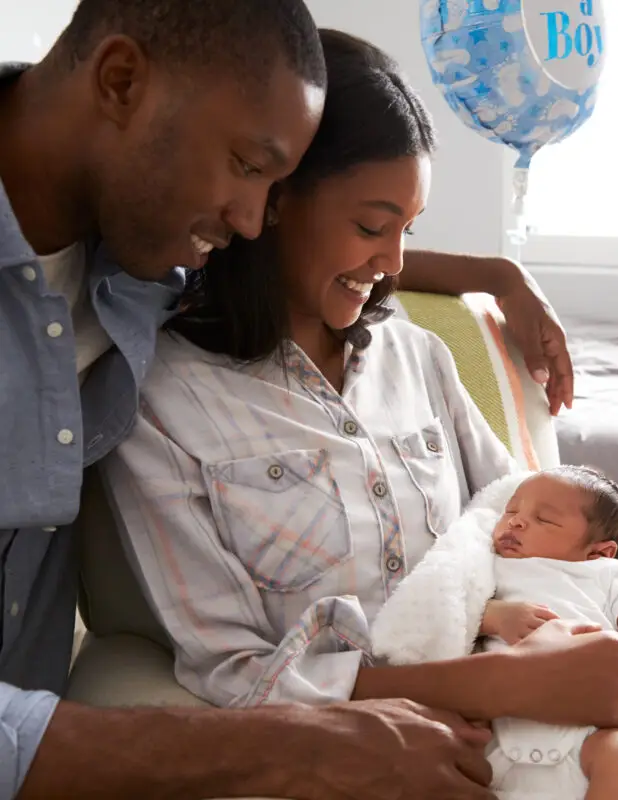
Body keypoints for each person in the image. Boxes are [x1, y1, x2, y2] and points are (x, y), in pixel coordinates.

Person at [0, 0, 579, 797]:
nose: (248, 219)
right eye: (247, 166)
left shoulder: (143, 248)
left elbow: (309, 250)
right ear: (122, 80)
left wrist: (497, 276)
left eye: (271, 186)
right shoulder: (161, 295)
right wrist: (297, 742)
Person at [482, 466, 618, 800]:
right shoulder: (485, 563)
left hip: (586, 730)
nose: (516, 521)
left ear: (598, 552)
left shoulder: (605, 574)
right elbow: (449, 611)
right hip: (494, 720)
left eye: (544, 519)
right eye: (511, 510)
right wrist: (492, 616)